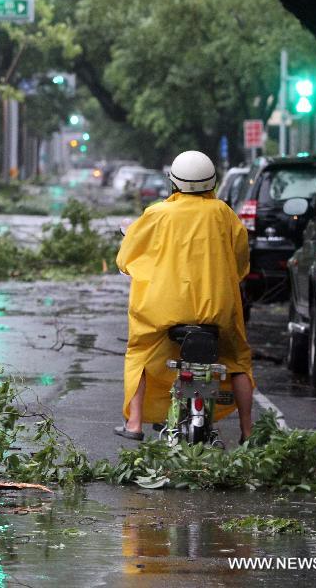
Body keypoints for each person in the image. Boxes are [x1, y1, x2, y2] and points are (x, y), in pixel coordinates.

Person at [113, 150, 255, 444]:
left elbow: (127, 259)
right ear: (211, 182)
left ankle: (135, 423)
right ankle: (248, 432)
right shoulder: (224, 214)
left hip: (162, 312)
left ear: (173, 183)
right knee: (238, 360)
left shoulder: (157, 213)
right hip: (218, 310)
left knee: (139, 352)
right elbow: (241, 262)